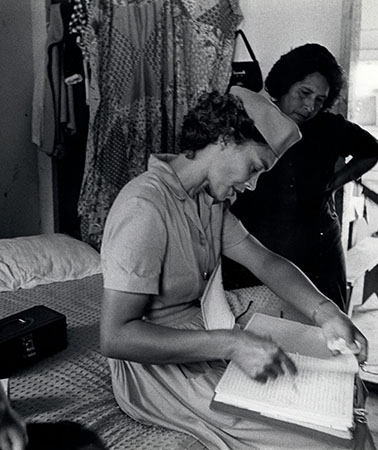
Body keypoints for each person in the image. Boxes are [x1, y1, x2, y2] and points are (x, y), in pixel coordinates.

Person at [100, 87, 367, 450]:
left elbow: (266, 262)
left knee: (330, 376)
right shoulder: (144, 207)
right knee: (324, 438)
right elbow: (116, 337)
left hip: (203, 332)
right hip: (153, 363)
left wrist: (326, 312)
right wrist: (231, 344)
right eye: (255, 167)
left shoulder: (206, 201)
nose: (253, 184)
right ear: (226, 139)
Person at [224, 43, 378, 312]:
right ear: (285, 84)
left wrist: (334, 183)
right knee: (259, 321)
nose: (310, 106)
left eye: (320, 100)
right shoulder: (250, 121)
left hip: (316, 242)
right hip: (260, 242)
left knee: (325, 323)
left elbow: (372, 150)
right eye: (304, 93)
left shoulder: (331, 127)